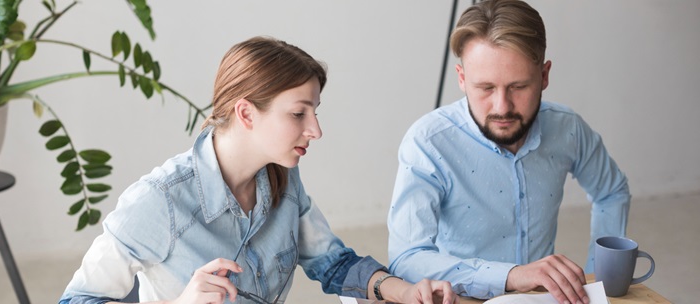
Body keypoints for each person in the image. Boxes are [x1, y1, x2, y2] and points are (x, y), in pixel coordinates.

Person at [59, 36, 458, 304]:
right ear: (246, 113)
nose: (315, 130)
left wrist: (403, 292)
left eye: (314, 112)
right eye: (299, 113)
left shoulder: (283, 179)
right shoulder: (158, 201)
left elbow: (333, 263)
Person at [386, 1, 630, 304]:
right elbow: (406, 257)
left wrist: (597, 280)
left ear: (544, 76)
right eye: (485, 88)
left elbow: (612, 192)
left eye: (518, 86)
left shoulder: (568, 129)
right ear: (462, 78)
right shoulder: (428, 142)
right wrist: (513, 275)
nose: (502, 107)